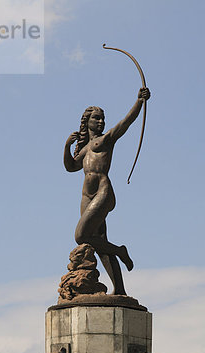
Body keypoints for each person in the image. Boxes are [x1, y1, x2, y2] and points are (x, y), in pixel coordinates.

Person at [64, 87, 150, 295]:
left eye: (102, 119)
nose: (101, 122)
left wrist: (139, 102)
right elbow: (70, 167)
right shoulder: (85, 149)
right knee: (100, 245)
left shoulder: (106, 140)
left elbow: (125, 123)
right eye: (97, 119)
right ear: (87, 122)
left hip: (102, 191)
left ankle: (120, 250)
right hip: (86, 195)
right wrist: (67, 146)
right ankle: (119, 289)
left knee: (81, 235)